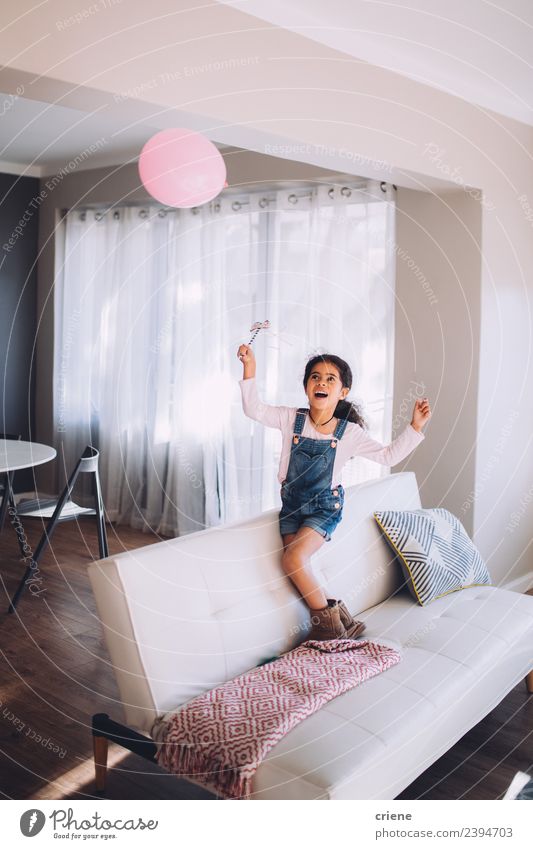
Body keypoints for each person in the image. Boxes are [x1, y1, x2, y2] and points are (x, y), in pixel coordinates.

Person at [237, 344, 431, 641]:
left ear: (343, 391)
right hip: (291, 505)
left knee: (292, 560)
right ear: (306, 387)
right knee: (298, 566)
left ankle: (329, 632)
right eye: (315, 377)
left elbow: (388, 456)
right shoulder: (291, 419)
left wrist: (415, 428)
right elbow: (254, 409)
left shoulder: (348, 432)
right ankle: (345, 622)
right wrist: (249, 367)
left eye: (330, 379)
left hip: (324, 507)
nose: (321, 383)